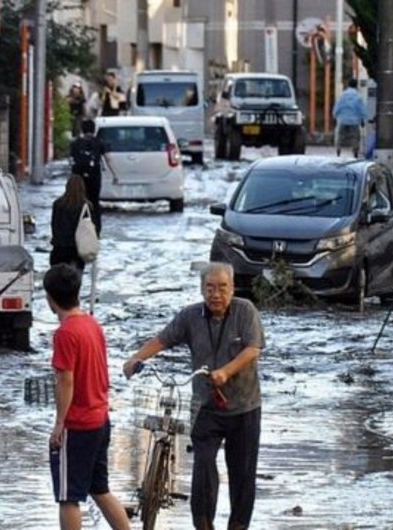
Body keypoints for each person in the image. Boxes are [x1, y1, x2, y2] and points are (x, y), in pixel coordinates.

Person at [123, 262, 265, 530]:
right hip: (205, 405)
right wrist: (135, 359)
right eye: (210, 288)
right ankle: (203, 523)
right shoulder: (190, 316)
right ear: (201, 289)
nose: (216, 294)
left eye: (222, 288)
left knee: (243, 472)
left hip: (244, 406)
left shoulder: (245, 311)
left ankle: (238, 526)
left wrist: (226, 371)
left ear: (232, 288)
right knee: (203, 464)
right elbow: (163, 339)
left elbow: (253, 349)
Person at [45, 264, 131, 530]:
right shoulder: (91, 324)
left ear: (49, 299)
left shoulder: (65, 333)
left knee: (68, 497)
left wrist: (59, 424)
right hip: (100, 419)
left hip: (78, 424)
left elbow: (66, 380)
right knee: (99, 489)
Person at [69, 118, 109, 235]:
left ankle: (77, 228)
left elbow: (70, 160)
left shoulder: (75, 143)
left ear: (82, 129)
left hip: (78, 177)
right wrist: (115, 175)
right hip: (94, 177)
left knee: (78, 201)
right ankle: (96, 229)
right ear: (94, 129)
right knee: (94, 202)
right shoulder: (99, 142)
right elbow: (108, 159)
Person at [51, 174, 92, 272]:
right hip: (77, 251)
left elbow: (54, 226)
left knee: (57, 278)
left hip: (59, 249)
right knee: (75, 278)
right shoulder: (86, 207)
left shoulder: (58, 204)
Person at [332, 78, 368, 158]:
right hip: (354, 121)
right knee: (355, 137)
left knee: (340, 135)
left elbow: (338, 106)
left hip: (343, 119)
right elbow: (361, 109)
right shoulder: (358, 96)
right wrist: (363, 119)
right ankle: (355, 151)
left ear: (348, 85)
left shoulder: (343, 95)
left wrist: (335, 116)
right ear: (356, 86)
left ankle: (338, 149)